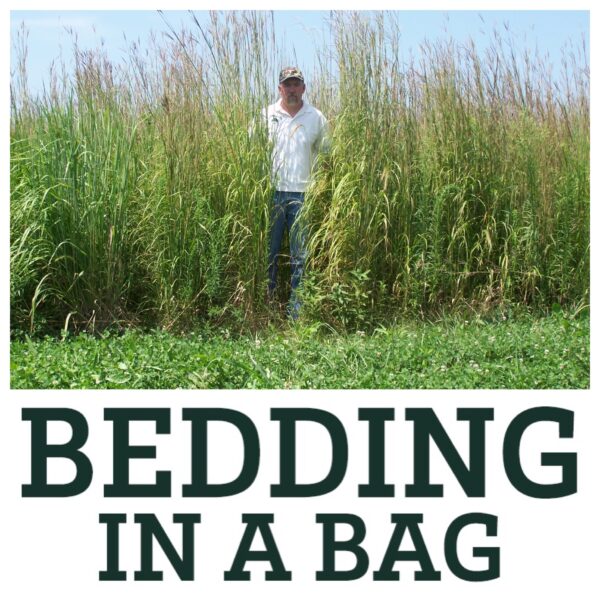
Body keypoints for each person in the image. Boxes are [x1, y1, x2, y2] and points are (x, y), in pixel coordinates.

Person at [264, 66, 328, 319]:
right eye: (287, 84)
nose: (291, 89)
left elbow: (327, 156)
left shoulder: (316, 117)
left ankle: (297, 313)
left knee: (299, 257)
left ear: (304, 88)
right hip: (273, 193)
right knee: (270, 253)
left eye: (296, 84)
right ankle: (266, 307)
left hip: (303, 196)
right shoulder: (267, 115)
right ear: (280, 88)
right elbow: (251, 150)